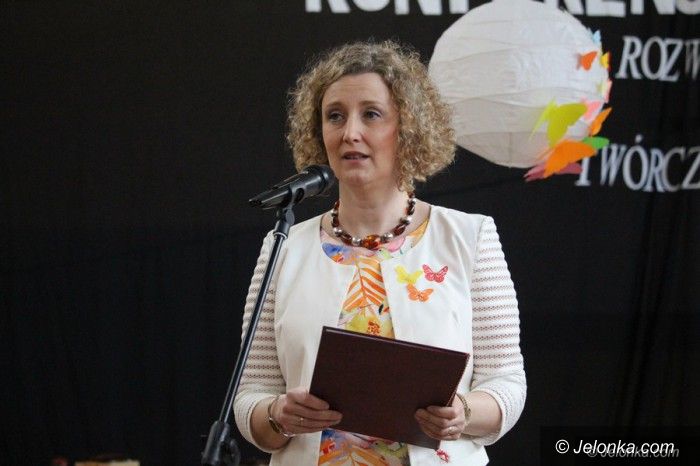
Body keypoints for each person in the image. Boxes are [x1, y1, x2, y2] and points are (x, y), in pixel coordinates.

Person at [233, 40, 526, 465]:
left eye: (371, 114)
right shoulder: (283, 247)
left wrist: (463, 412)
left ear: (407, 129)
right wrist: (278, 415)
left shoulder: (470, 237)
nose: (350, 132)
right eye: (335, 116)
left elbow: (507, 383)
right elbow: (250, 396)